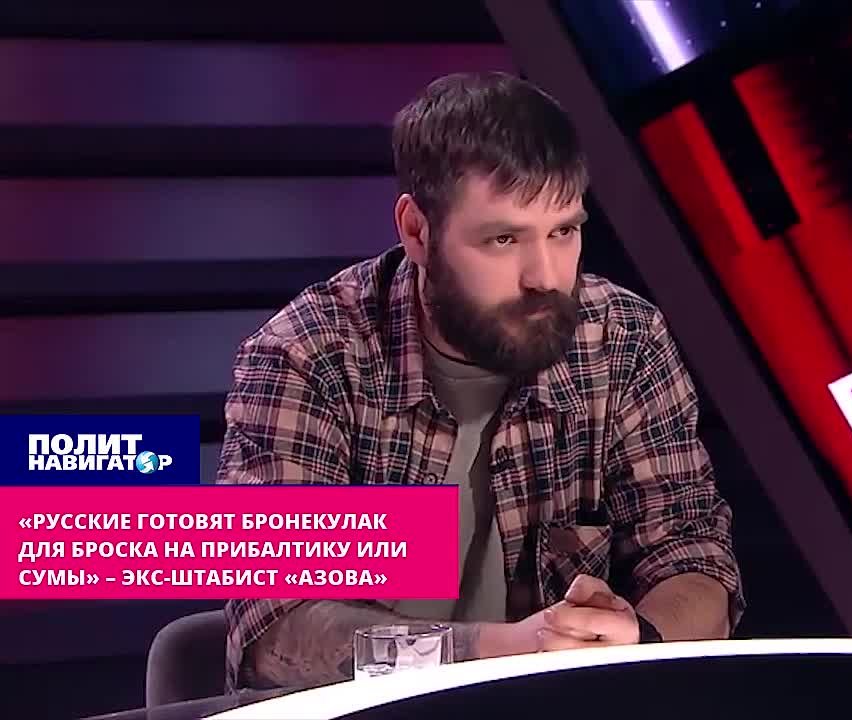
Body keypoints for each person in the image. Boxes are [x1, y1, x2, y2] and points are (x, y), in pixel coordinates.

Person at [215, 71, 745, 692]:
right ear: (417, 232)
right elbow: (277, 631)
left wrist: (640, 640)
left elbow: (692, 554)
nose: (545, 277)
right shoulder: (311, 356)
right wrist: (502, 653)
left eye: (563, 231)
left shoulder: (624, 339)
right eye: (503, 238)